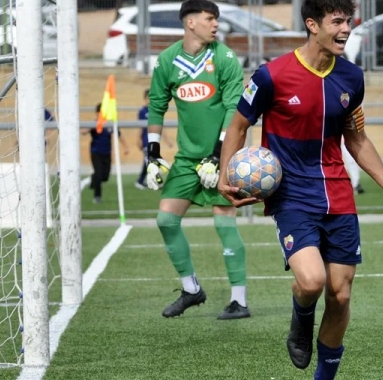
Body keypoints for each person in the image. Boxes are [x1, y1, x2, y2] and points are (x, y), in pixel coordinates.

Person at [217, 0, 383, 378]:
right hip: (292, 194)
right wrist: (224, 177)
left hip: (339, 194)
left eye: (349, 21)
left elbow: (357, 139)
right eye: (337, 22)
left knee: (341, 294)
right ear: (313, 25)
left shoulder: (351, 78)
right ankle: (301, 319)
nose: (346, 29)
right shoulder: (271, 76)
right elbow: (237, 127)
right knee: (312, 281)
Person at [143, 0, 250, 320]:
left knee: (223, 220)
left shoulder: (226, 58)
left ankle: (239, 301)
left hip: (223, 155)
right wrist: (152, 153)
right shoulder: (167, 60)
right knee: (165, 220)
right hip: (187, 159)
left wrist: (218, 156)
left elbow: (234, 109)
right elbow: (157, 106)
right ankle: (191, 289)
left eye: (216, 19)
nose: (215, 24)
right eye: (209, 18)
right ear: (190, 23)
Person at [81, 102, 129, 204]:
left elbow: (119, 135)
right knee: (98, 174)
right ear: (97, 113)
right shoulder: (95, 124)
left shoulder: (109, 124)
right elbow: (83, 131)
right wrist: (92, 127)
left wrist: (125, 147)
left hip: (107, 154)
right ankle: (97, 196)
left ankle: (92, 179)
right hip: (96, 153)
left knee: (105, 177)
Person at [136, 89, 173, 190]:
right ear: (144, 99)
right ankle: (156, 181)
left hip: (154, 142)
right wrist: (138, 139)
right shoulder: (142, 111)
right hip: (145, 141)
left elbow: (161, 127)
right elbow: (140, 127)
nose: (150, 100)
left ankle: (141, 181)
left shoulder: (155, 110)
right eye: (148, 98)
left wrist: (167, 140)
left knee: (148, 161)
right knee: (150, 161)